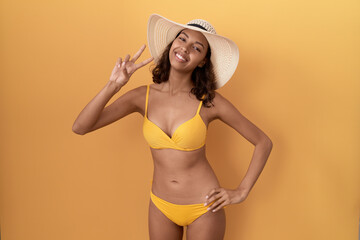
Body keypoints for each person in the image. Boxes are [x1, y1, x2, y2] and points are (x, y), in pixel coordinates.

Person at [72, 14, 273, 240]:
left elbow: (263, 142)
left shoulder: (209, 102)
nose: (185, 48)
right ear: (172, 44)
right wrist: (113, 85)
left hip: (204, 207)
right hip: (161, 205)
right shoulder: (142, 97)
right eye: (182, 39)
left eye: (196, 48)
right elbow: (80, 126)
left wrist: (242, 191)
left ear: (203, 61)